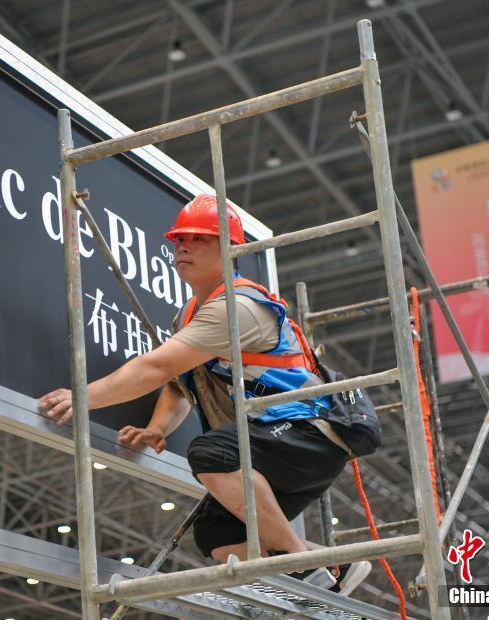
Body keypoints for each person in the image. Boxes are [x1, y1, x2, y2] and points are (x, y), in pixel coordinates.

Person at [39, 194, 370, 594]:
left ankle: (301, 567)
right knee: (214, 534)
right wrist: (156, 427)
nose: (182, 247)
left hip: (307, 433)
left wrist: (82, 397)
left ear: (229, 248)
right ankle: (331, 568)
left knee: (212, 453)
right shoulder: (191, 311)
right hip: (277, 443)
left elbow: (156, 367)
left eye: (199, 238)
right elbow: (178, 383)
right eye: (179, 239)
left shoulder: (236, 307)